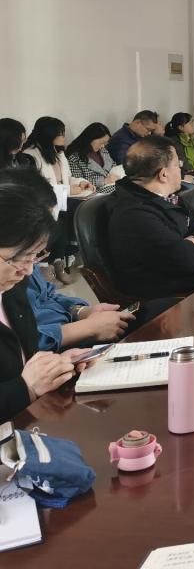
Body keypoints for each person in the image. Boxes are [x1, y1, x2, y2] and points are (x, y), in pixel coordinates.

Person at [0, 167, 135, 351]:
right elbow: (22, 344)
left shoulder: (23, 260)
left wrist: (81, 311)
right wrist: (87, 328)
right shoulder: (10, 272)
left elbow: (48, 294)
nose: (29, 269)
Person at [0, 176, 89, 421]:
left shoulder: (12, 291)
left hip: (28, 420)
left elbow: (23, 360)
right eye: (17, 259)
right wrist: (26, 387)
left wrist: (56, 365)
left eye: (34, 257)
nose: (28, 271)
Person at [108, 136, 194, 299]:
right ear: (163, 175)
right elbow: (190, 261)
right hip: (178, 298)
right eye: (178, 165)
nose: (181, 169)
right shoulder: (134, 215)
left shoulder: (168, 196)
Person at [23, 116, 95, 286]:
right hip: (44, 202)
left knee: (75, 213)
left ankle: (58, 262)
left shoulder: (58, 154)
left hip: (61, 199)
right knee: (62, 219)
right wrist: (68, 190)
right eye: (61, 133)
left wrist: (80, 183)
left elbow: (67, 178)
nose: (64, 137)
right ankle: (47, 266)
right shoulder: (30, 155)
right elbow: (38, 187)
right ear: (49, 134)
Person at [66, 122, 123, 194]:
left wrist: (115, 175)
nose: (103, 146)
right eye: (101, 142)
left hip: (111, 185)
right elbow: (78, 182)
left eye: (105, 143)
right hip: (94, 192)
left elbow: (113, 165)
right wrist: (103, 181)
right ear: (91, 138)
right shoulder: (75, 158)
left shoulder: (103, 151)